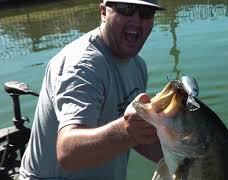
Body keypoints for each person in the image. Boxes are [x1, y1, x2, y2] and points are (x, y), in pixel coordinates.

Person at [18, 0, 165, 179]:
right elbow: (68, 152)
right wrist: (126, 130)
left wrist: (191, 158)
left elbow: (136, 138)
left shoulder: (137, 65)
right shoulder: (83, 65)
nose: (136, 20)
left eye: (146, 12)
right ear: (103, 12)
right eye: (125, 9)